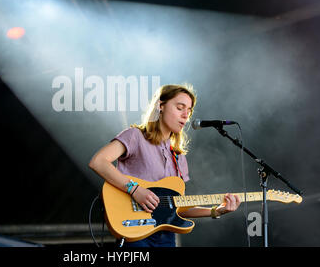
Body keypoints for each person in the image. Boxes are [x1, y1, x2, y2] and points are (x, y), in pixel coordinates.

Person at [88, 83, 241, 247]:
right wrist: (135, 189)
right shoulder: (135, 136)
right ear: (161, 106)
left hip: (166, 237)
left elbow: (177, 206)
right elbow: (98, 161)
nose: (185, 115)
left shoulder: (179, 156)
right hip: (135, 231)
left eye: (189, 111)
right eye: (180, 107)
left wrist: (215, 211)